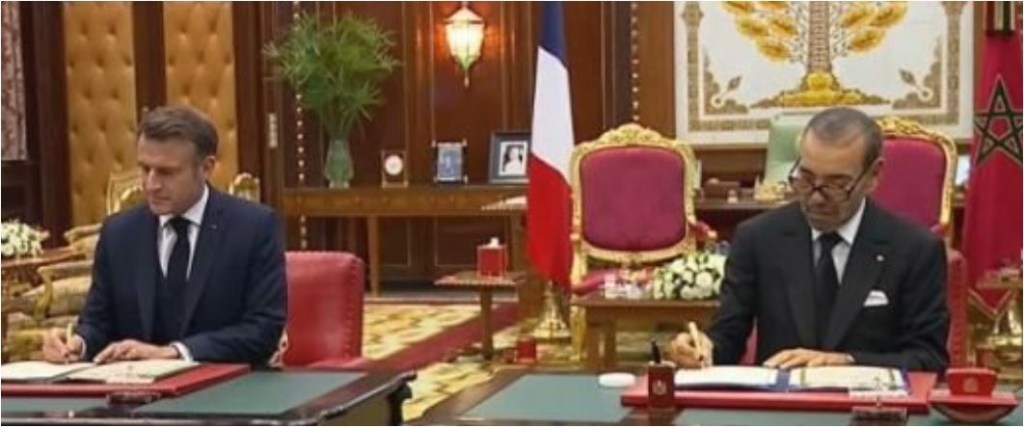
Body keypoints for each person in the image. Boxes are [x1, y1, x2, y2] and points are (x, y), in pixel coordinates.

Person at [670, 107, 949, 373]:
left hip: (870, 405)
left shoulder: (915, 249)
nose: (815, 198)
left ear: (873, 176)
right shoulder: (758, 238)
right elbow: (728, 338)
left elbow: (928, 357)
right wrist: (702, 349)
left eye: (836, 184)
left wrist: (846, 363)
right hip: (780, 403)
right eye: (805, 178)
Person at [41, 106, 286, 365]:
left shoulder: (253, 228)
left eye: (166, 172)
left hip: (227, 385)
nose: (151, 184)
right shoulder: (119, 233)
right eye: (145, 169)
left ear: (206, 168)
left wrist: (176, 352)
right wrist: (78, 343)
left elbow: (263, 330)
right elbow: (98, 322)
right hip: (134, 387)